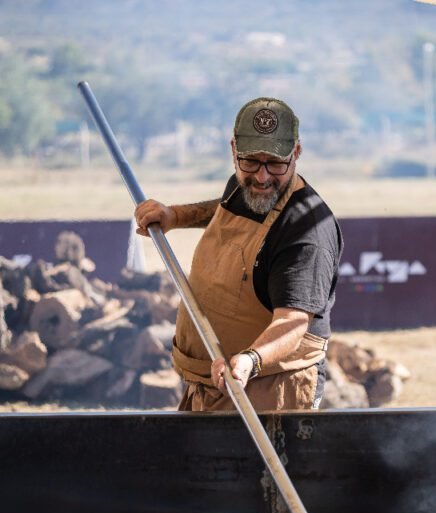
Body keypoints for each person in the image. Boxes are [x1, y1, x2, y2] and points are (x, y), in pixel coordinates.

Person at [134, 97, 342, 412]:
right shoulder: (244, 186)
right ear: (234, 150)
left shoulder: (306, 232)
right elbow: (226, 208)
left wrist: (250, 360)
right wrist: (175, 216)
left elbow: (292, 322)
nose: (262, 177)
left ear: (296, 152)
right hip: (215, 382)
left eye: (276, 163)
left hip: (270, 388)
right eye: (251, 161)